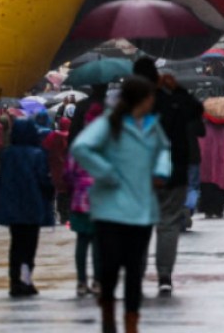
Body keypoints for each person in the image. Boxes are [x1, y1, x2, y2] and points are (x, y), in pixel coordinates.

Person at [71, 76, 171, 333]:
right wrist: (106, 172)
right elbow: (81, 147)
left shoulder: (151, 125)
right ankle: (108, 316)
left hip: (141, 210)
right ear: (142, 98)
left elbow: (163, 150)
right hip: (110, 210)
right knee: (111, 267)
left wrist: (161, 171)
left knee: (135, 271)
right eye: (151, 96)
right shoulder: (109, 123)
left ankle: (131, 323)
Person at [132, 59, 203, 297]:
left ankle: (137, 275)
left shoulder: (130, 104)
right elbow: (196, 110)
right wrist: (177, 89)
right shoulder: (173, 101)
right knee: (169, 223)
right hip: (174, 171)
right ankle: (164, 276)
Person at [0, 117, 55, 298]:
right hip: (32, 208)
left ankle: (14, 282)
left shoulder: (6, 155)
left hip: (13, 208)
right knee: (29, 247)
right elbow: (44, 180)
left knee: (16, 246)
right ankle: (26, 280)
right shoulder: (38, 154)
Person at [63, 150, 101, 297]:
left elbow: (67, 174)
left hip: (80, 200)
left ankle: (81, 281)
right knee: (98, 243)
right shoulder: (103, 148)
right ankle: (98, 281)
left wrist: (78, 185)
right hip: (100, 201)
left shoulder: (77, 150)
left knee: (82, 241)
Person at [198, 119, 224, 218]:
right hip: (222, 164)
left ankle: (208, 210)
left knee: (206, 186)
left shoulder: (202, 128)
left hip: (205, 165)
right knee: (220, 187)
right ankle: (218, 210)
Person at [43, 116, 71, 224]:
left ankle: (61, 213)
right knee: (68, 191)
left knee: (60, 191)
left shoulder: (53, 136)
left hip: (56, 168)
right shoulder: (72, 136)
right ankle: (67, 213)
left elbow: (46, 148)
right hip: (69, 168)